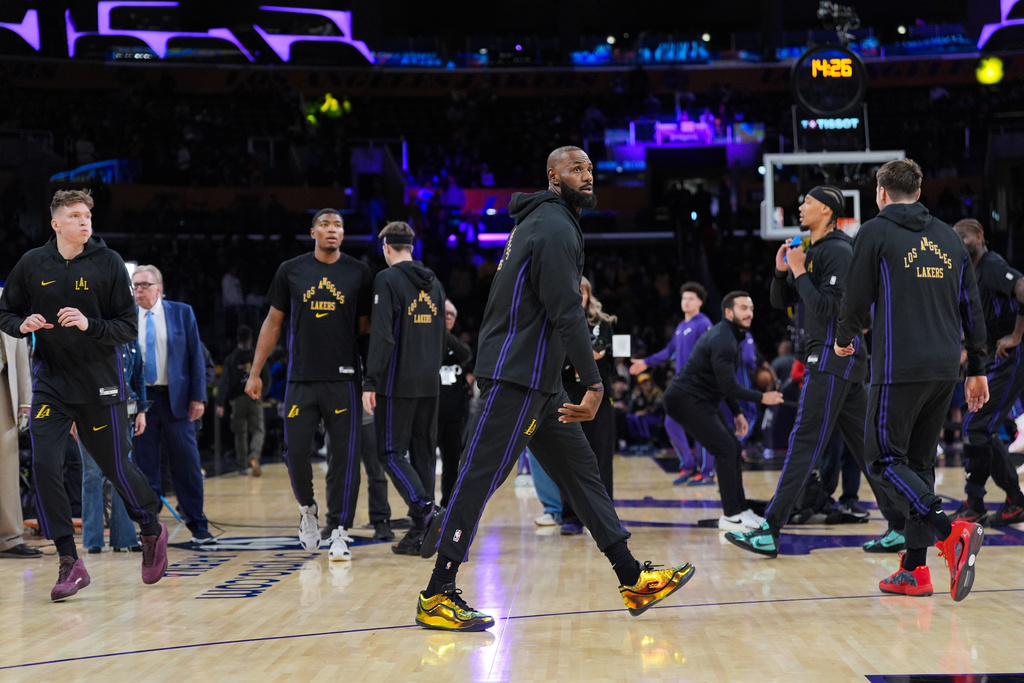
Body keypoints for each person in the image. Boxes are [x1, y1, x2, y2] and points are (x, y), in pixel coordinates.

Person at [415, 146, 694, 632]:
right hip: (514, 376)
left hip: (538, 382)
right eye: (575, 169)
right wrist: (592, 383)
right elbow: (567, 310)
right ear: (552, 176)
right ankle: (437, 592)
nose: (587, 177)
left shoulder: (544, 222)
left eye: (590, 169)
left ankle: (632, 577)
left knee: (583, 475)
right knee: (479, 479)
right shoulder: (554, 225)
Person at [0, 189, 167, 600]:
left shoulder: (108, 263)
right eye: (75, 215)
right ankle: (69, 561)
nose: (85, 221)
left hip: (99, 382)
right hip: (52, 383)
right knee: (44, 466)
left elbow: (127, 327)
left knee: (113, 465)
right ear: (56, 223)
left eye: (87, 215)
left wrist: (89, 325)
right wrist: (22, 325)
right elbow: (5, 313)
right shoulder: (32, 263)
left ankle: (150, 527)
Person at [834, 158, 988, 601]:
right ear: (919, 192)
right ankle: (914, 570)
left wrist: (845, 338)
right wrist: (976, 368)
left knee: (882, 459)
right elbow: (970, 307)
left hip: (899, 366)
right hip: (945, 368)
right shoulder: (948, 238)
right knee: (918, 466)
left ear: (880, 193)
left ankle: (948, 533)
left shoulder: (874, 231)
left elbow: (856, 296)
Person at [725, 185, 904, 559]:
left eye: (807, 202)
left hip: (832, 357)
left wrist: (799, 270)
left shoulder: (838, 250)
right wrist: (782, 271)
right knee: (869, 449)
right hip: (842, 362)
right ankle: (901, 527)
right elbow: (781, 301)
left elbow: (831, 310)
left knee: (804, 443)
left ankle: (770, 529)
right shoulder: (812, 251)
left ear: (826, 210)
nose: (800, 207)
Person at [245, 208, 373, 562]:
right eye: (326, 225)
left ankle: (340, 531)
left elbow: (365, 329)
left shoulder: (359, 272)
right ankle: (308, 510)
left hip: (344, 379)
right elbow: (273, 323)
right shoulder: (291, 270)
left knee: (344, 459)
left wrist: (371, 379)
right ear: (313, 232)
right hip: (300, 377)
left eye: (339, 226)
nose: (333, 230)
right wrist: (255, 372)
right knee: (295, 452)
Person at [664, 291, 785, 531]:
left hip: (704, 399)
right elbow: (729, 385)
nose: (749, 312)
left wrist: (738, 412)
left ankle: (740, 509)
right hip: (685, 399)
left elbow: (722, 383)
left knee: (732, 447)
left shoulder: (733, 336)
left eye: (751, 308)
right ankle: (731, 515)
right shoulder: (723, 339)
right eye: (743, 308)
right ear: (729, 313)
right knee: (726, 448)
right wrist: (763, 397)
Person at [362, 221, 447, 556]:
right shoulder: (435, 283)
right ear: (411, 246)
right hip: (430, 381)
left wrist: (371, 380)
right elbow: (441, 336)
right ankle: (420, 532)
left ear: (386, 248)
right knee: (424, 454)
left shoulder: (387, 279)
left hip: (398, 383)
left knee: (390, 453)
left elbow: (382, 335)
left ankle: (426, 510)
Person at [132, 265, 216, 547]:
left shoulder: (181, 312)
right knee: (145, 467)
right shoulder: (127, 318)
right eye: (135, 285)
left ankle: (198, 525)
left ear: (158, 287)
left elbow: (196, 357)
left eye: (144, 285)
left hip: (177, 399)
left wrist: (198, 397)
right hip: (143, 401)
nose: (139, 290)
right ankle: (149, 529)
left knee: (187, 464)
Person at [950, 218, 1024, 525]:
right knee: (980, 428)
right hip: (996, 353)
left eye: (964, 236)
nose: (960, 241)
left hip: (1013, 353)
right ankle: (1012, 501)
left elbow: (1022, 287)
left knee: (977, 426)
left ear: (979, 237)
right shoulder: (972, 272)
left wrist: (1017, 335)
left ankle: (977, 502)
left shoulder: (991, 264)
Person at [630, 282, 712, 483]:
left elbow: (710, 354)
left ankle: (707, 471)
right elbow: (669, 352)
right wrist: (645, 363)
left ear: (700, 302)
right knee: (671, 423)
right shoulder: (681, 326)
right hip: (682, 384)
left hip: (698, 384)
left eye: (691, 298)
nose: (686, 302)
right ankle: (688, 465)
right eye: (684, 298)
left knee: (701, 427)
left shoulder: (703, 324)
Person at [558, 276, 618, 535]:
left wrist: (593, 358)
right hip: (569, 395)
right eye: (575, 291)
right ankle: (571, 517)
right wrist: (580, 356)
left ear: (589, 294)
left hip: (600, 397)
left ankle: (605, 519)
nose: (579, 294)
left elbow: (611, 360)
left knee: (602, 458)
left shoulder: (603, 323)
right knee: (569, 458)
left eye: (583, 290)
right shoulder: (558, 322)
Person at [80, 341, 147, 554]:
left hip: (123, 412)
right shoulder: (85, 335)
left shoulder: (129, 341)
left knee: (122, 473)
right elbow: (75, 379)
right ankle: (93, 540)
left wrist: (142, 411)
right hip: (89, 413)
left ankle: (124, 538)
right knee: (92, 474)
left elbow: (138, 376)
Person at [0, 300, 40, 559]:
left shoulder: (6, 298)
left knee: (6, 467)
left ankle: (9, 538)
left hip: (4, 390)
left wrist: (25, 401)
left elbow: (20, 352)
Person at [216, 325, 269, 477]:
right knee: (258, 430)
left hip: (238, 399)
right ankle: (254, 455)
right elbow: (267, 378)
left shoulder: (231, 358)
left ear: (237, 339)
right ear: (251, 339)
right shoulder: (257, 355)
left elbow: (225, 381)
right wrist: (262, 393)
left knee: (240, 433)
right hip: (254, 397)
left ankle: (242, 466)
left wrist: (221, 402)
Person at [437, 299, 473, 509]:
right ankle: (424, 507)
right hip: (430, 413)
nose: (448, 317)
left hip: (454, 415)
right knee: (425, 462)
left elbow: (466, 355)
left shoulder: (457, 345)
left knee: (452, 463)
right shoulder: (425, 342)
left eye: (452, 314)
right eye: (444, 313)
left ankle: (448, 505)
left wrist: (441, 331)